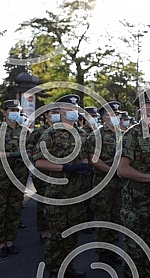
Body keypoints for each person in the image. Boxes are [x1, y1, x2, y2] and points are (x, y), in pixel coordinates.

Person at [33, 94, 91, 278]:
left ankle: (68, 267)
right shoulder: (50, 133)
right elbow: (39, 163)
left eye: (76, 109)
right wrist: (66, 167)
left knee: (72, 233)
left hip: (77, 192)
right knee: (57, 234)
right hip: (57, 192)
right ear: (61, 111)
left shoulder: (82, 134)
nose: (74, 112)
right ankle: (53, 269)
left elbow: (84, 157)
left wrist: (84, 166)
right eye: (70, 109)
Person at [118, 88, 150, 278]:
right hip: (136, 205)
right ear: (143, 108)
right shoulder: (132, 134)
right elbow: (123, 169)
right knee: (135, 253)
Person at [0, 99, 33, 257]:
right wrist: (10, 155)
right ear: (4, 111)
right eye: (11, 109)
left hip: (19, 175)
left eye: (17, 109)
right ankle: (0, 243)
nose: (14, 112)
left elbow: (32, 151)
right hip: (0, 176)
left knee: (14, 209)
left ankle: (10, 241)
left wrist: (25, 156)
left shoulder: (25, 131)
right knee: (0, 210)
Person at [87, 101, 124, 266]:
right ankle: (102, 252)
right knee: (104, 218)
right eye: (112, 114)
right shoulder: (96, 135)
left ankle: (112, 249)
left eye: (117, 114)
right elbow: (93, 159)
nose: (116, 117)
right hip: (103, 183)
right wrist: (111, 171)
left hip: (120, 183)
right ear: (104, 117)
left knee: (116, 218)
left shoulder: (122, 134)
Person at [29, 104, 61, 244]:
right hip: (43, 172)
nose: (57, 115)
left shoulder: (60, 130)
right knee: (43, 202)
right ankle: (43, 230)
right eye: (54, 112)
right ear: (46, 115)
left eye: (58, 112)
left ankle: (54, 230)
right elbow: (32, 151)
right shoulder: (39, 132)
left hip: (58, 173)